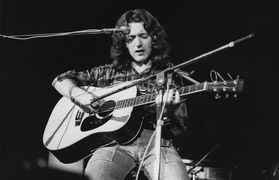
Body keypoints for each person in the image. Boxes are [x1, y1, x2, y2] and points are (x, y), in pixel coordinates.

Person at [51, 9, 190, 180]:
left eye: (143, 36)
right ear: (124, 42)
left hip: (158, 145)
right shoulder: (109, 73)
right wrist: (78, 94)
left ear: (154, 38)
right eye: (130, 38)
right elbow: (60, 80)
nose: (137, 43)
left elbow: (180, 128)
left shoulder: (169, 74)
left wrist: (169, 110)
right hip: (113, 143)